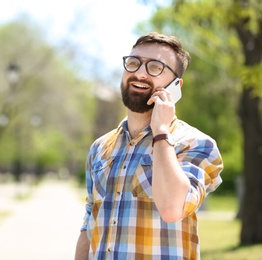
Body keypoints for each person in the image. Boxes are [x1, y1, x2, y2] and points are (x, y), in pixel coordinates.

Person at [75, 32, 223, 259]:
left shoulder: (196, 144)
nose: (140, 73)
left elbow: (173, 209)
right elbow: (89, 222)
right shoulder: (100, 147)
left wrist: (161, 133)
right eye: (133, 63)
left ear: (176, 85)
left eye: (155, 67)